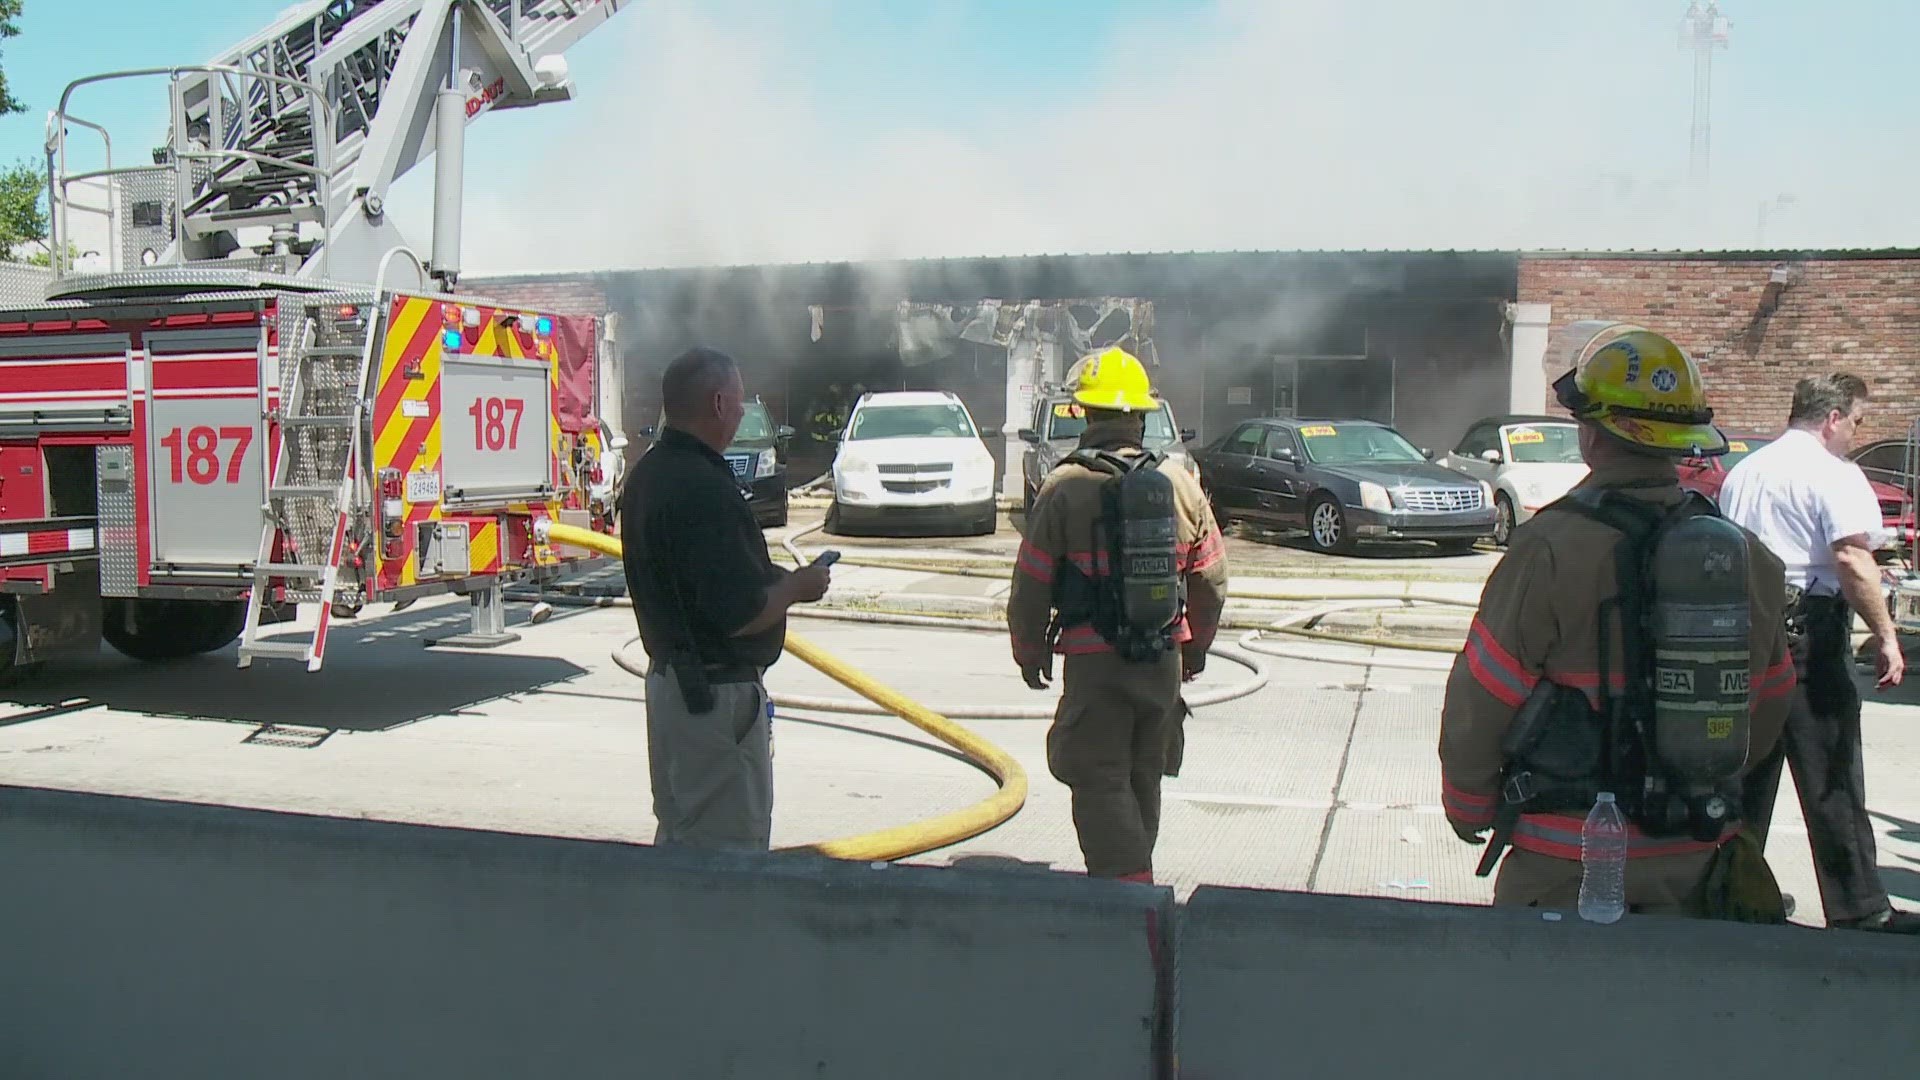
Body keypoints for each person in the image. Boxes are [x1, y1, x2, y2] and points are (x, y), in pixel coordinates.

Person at [1440, 323, 1797, 917]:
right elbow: (1773, 695)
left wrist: (1468, 804)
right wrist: (1698, 773)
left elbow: (1483, 695)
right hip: (1699, 868)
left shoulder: (1548, 548)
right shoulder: (1744, 556)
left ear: (1593, 433)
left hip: (1567, 870)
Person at [1007, 347, 1229, 883]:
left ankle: (1131, 901)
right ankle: (1134, 882)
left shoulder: (1064, 487)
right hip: (1161, 659)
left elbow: (1032, 584)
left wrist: (1029, 650)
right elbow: (1212, 579)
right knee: (1142, 775)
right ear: (1143, 414)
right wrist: (1194, 647)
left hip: (1093, 661)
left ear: (1085, 414)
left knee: (1099, 776)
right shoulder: (1181, 482)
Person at [1717, 373, 1918, 933]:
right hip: (1811, 631)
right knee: (1831, 773)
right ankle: (1860, 907)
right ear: (1832, 418)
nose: (1855, 434)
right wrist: (1885, 635)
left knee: (1748, 775)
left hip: (1748, 633)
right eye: (1855, 422)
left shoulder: (1746, 471)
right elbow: (1853, 561)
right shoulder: (1833, 474)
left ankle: (1740, 893)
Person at [620, 347, 832, 851]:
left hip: (675, 689)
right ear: (717, 404)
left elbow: (699, 579)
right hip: (715, 700)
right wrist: (797, 588)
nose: (740, 412)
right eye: (737, 401)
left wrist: (766, 576)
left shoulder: (650, 474)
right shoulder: (703, 486)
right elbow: (738, 614)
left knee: (682, 838)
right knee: (726, 856)